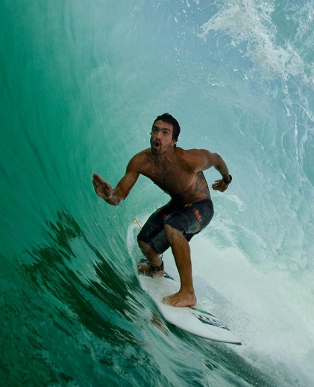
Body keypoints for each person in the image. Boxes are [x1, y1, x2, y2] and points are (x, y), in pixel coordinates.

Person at [92, 113, 231, 308]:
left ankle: (188, 292)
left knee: (173, 227)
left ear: (173, 141)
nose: (159, 136)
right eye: (156, 130)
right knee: (145, 242)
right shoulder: (140, 162)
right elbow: (118, 197)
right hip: (177, 204)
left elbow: (216, 158)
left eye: (165, 133)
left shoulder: (189, 159)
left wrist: (226, 179)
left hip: (201, 207)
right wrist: (109, 195)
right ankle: (156, 268)